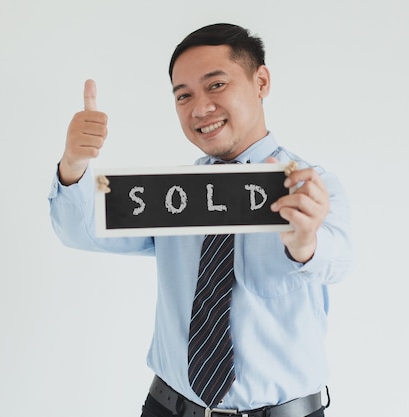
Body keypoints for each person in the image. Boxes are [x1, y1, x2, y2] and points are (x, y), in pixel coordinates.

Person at [49, 23, 352, 417]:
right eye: (183, 96)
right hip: (168, 408)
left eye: (216, 86)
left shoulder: (312, 186)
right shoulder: (171, 194)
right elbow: (80, 230)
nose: (199, 109)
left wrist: (304, 244)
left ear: (260, 81)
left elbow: (340, 259)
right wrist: (74, 163)